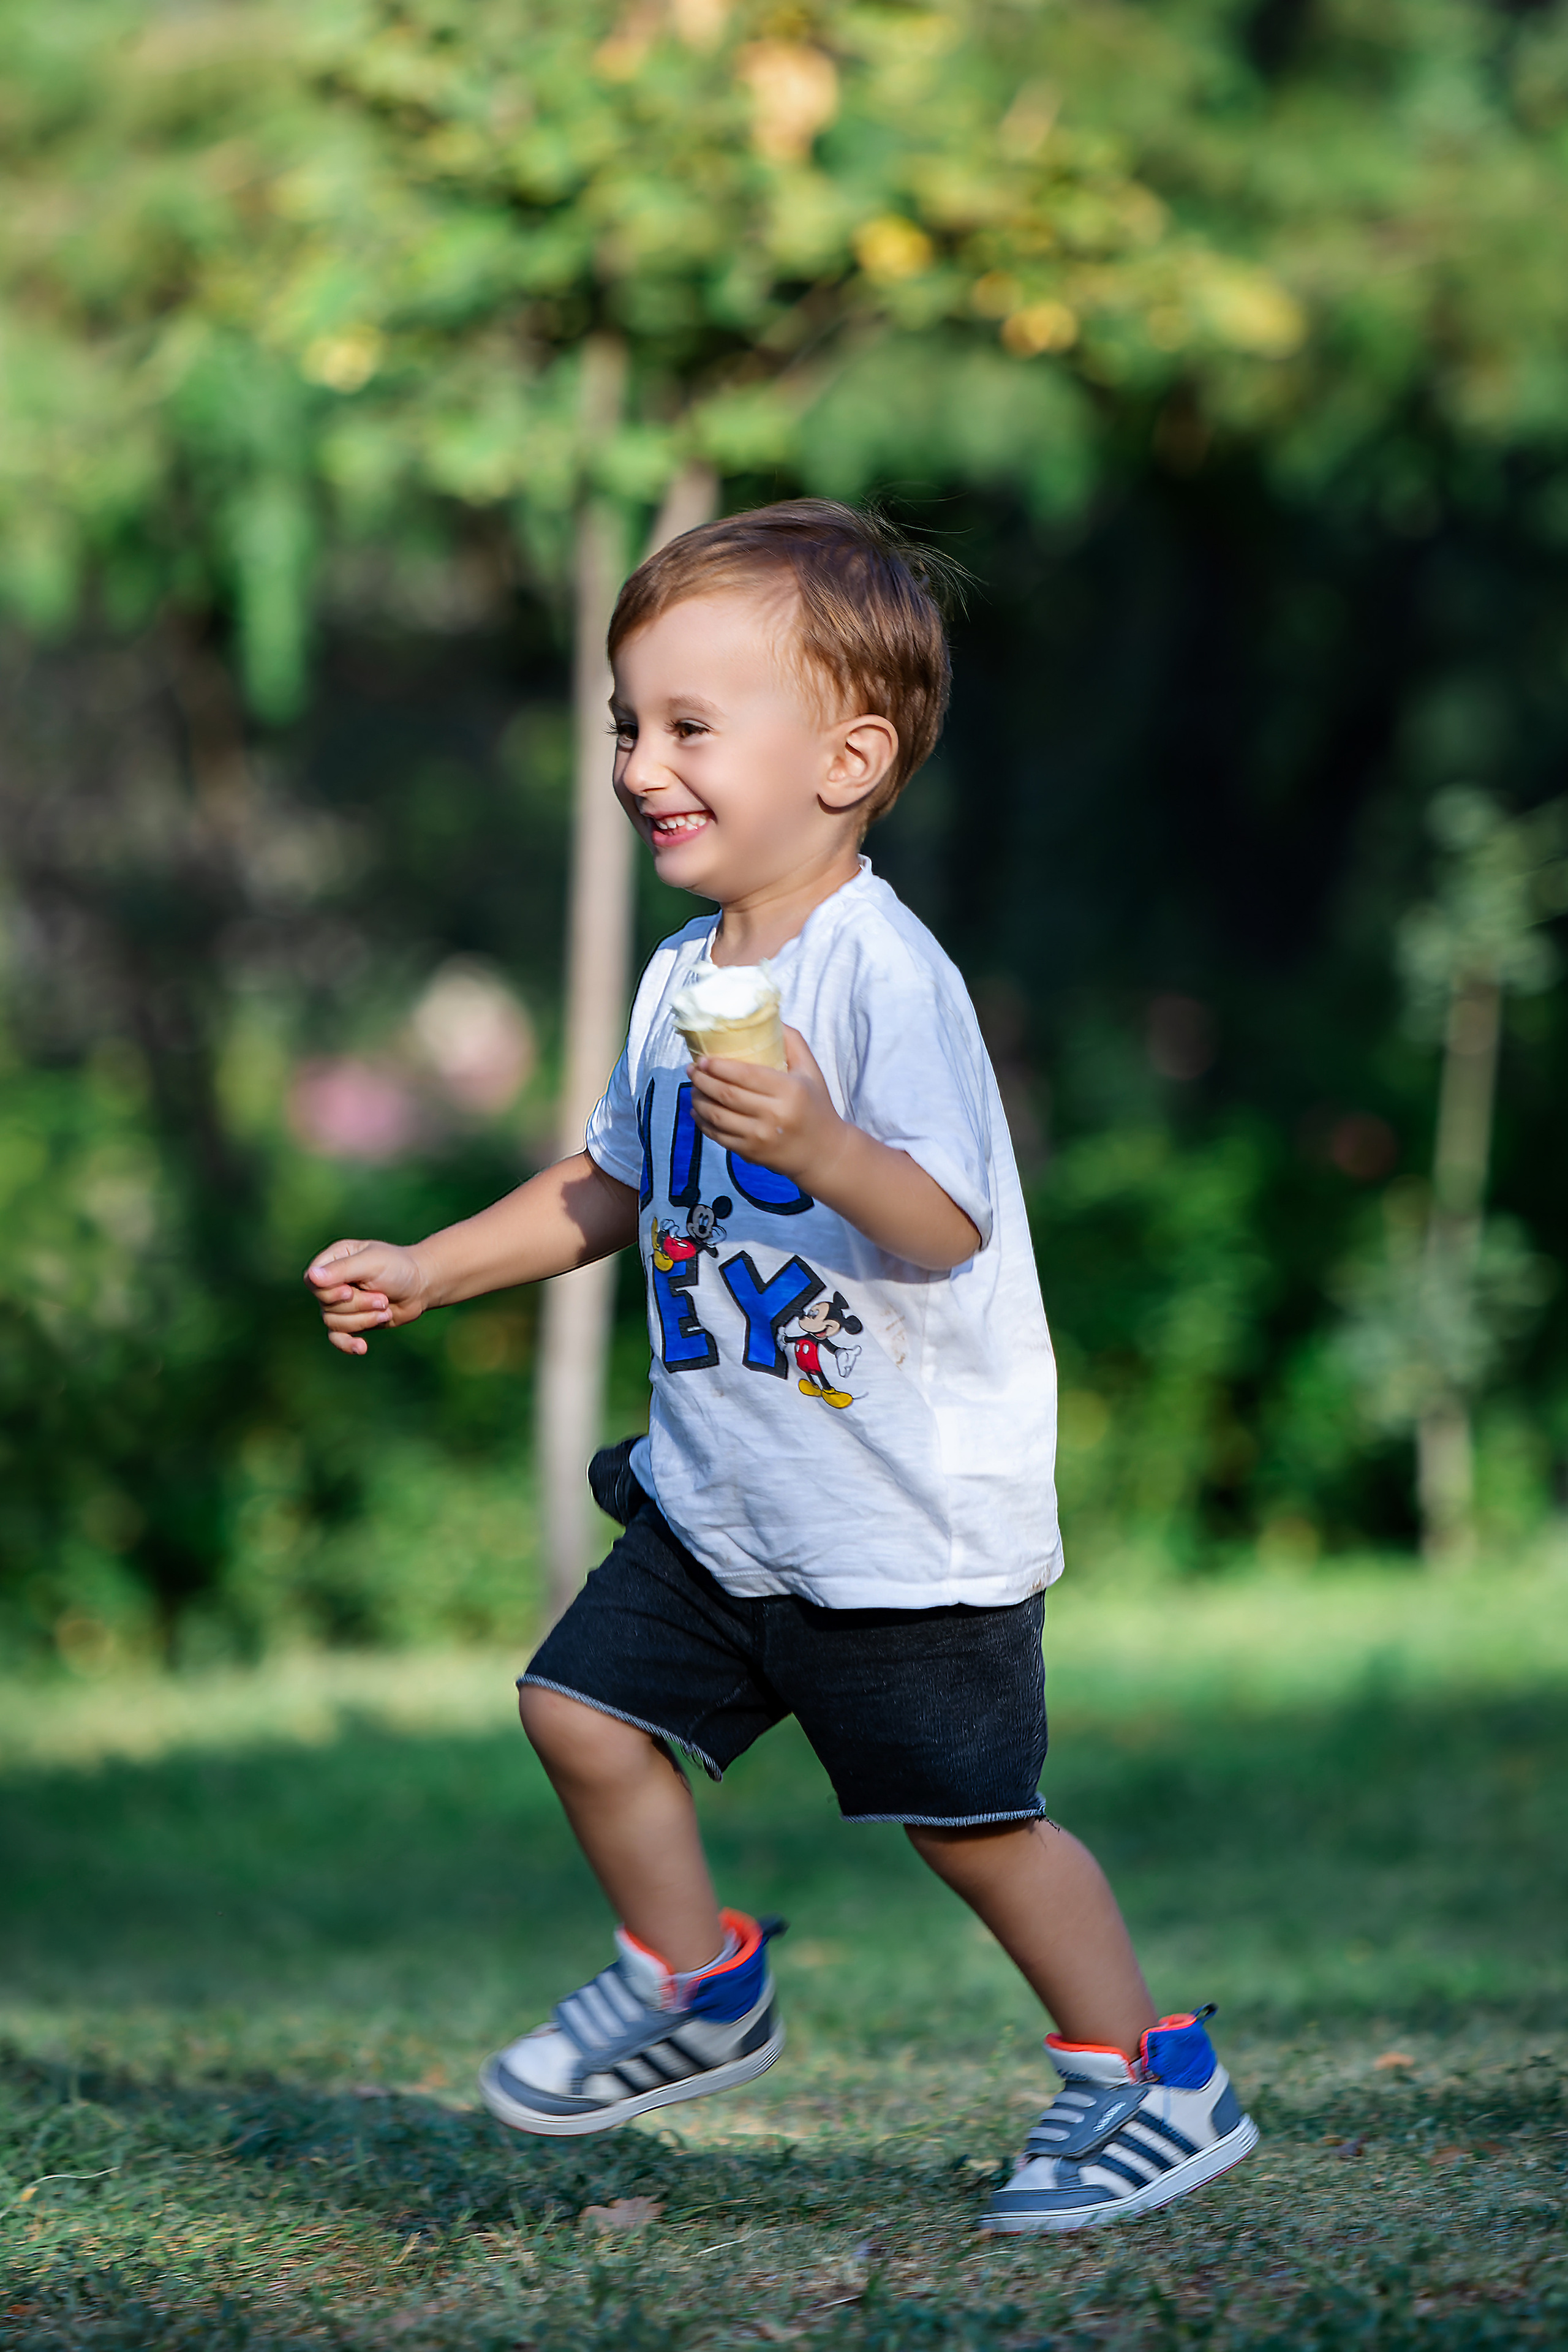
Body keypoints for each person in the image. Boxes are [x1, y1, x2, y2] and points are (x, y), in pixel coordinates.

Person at [304, 500, 1257, 2233]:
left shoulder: (887, 977)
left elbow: (949, 1219)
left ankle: (1149, 2074)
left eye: (688, 726)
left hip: (898, 1522)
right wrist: (435, 1266)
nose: (642, 763)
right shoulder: (684, 975)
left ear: (849, 757)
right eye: (627, 725)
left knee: (970, 1826)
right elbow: (608, 1181)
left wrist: (818, 1136)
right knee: (576, 1715)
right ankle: (696, 1978)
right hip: (727, 1498)